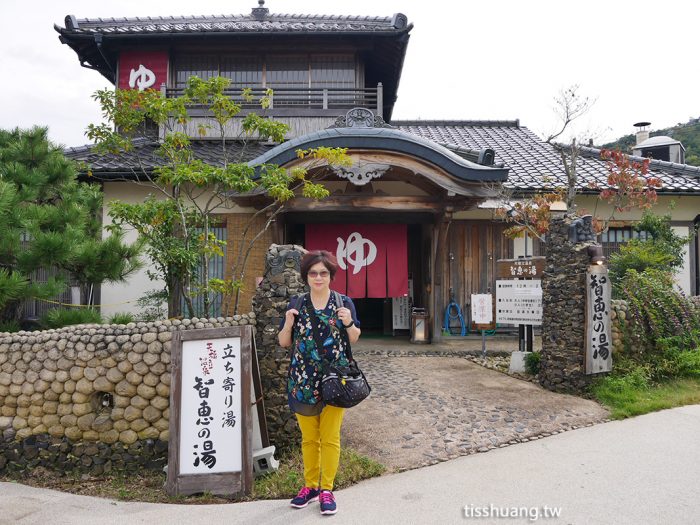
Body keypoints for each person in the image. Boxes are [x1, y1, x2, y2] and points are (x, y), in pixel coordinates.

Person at [278, 250, 361, 516]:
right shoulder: (297, 303)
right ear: (306, 276)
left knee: (330, 437)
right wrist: (288, 324)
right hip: (302, 380)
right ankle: (310, 486)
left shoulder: (343, 301)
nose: (318, 277)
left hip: (335, 381)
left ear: (331, 276)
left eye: (323, 273)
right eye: (313, 273)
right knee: (309, 438)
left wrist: (348, 322)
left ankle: (327, 489)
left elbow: (355, 337)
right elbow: (283, 342)